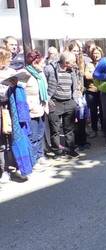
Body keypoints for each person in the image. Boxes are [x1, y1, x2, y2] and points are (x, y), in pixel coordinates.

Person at [0, 46, 29, 182]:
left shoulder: (11, 71)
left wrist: (17, 84)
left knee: (16, 138)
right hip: (2, 108)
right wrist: (7, 88)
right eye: (8, 57)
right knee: (2, 141)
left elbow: (21, 86)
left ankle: (19, 167)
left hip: (13, 109)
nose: (11, 59)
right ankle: (3, 170)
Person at [45, 51, 81, 158]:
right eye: (73, 61)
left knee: (69, 128)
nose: (74, 63)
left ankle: (71, 149)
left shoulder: (72, 70)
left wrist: (75, 100)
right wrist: (48, 98)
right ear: (66, 62)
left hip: (69, 102)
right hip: (55, 102)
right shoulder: (50, 69)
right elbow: (44, 83)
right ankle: (57, 150)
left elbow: (74, 86)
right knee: (55, 129)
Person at [24, 50, 50, 165]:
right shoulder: (25, 74)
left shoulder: (40, 73)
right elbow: (21, 92)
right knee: (33, 136)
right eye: (41, 63)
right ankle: (33, 159)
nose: (43, 65)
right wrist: (29, 104)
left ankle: (40, 155)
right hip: (31, 109)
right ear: (34, 62)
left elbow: (44, 88)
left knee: (40, 134)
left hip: (41, 107)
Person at [84, 46, 103, 138]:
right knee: (93, 112)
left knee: (103, 111)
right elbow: (87, 76)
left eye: (97, 53)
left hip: (103, 91)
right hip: (91, 91)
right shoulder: (89, 64)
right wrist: (99, 75)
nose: (96, 55)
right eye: (94, 53)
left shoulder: (104, 63)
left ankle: (104, 129)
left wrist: (95, 75)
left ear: (101, 54)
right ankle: (94, 130)